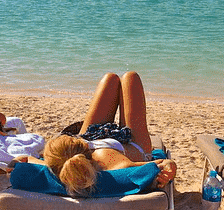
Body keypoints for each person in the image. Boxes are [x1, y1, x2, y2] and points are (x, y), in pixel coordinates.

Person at [15, 71, 177, 196]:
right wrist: (170, 166)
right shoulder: (112, 163)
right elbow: (159, 165)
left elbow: (26, 160)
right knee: (130, 78)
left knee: (110, 79)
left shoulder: (56, 165)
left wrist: (17, 162)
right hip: (131, 146)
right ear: (78, 145)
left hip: (91, 136)